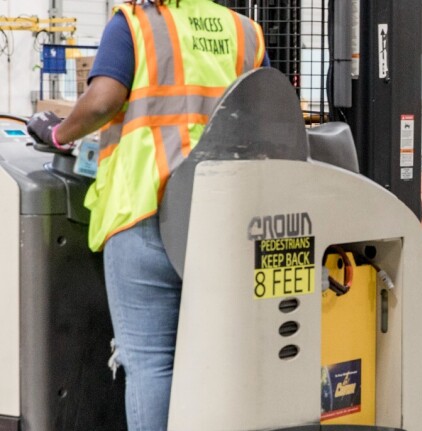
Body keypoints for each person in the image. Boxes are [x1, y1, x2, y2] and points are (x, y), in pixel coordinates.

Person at [27, 1, 268, 429]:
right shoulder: (244, 31)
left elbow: (103, 100)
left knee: (151, 363)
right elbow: (265, 111)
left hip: (146, 210)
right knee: (216, 359)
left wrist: (58, 132)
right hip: (222, 217)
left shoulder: (136, 24)